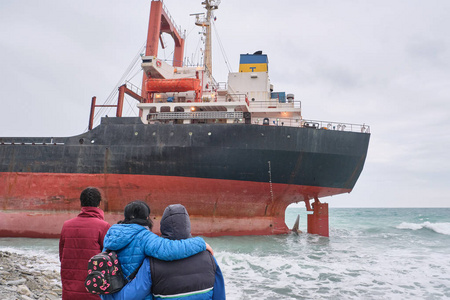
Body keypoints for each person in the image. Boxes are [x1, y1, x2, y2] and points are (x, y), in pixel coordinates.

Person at [102, 204, 226, 300]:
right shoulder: (209, 258)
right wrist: (201, 243)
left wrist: (107, 296)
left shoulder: (150, 263)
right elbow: (220, 294)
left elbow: (134, 293)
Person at [59, 187, 111, 300]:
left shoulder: (67, 225)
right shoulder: (104, 226)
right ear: (99, 203)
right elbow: (109, 259)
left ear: (81, 203)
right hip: (94, 288)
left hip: (70, 288)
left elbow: (61, 256)